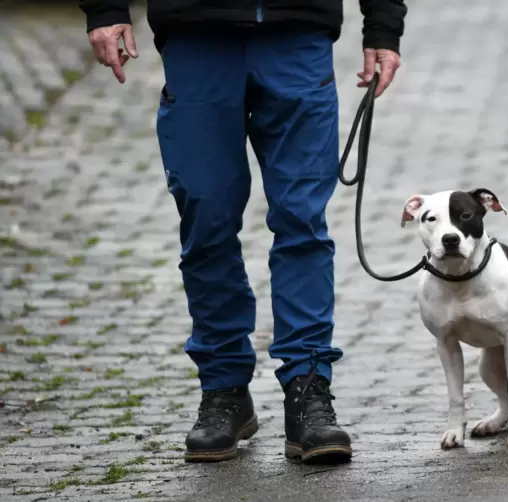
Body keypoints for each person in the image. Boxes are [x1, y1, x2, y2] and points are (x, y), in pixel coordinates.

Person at [79, 0, 407, 465]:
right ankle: (224, 389)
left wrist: (382, 26)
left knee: (302, 222)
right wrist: (105, 8)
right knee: (205, 218)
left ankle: (308, 388)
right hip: (196, 35)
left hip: (297, 34)